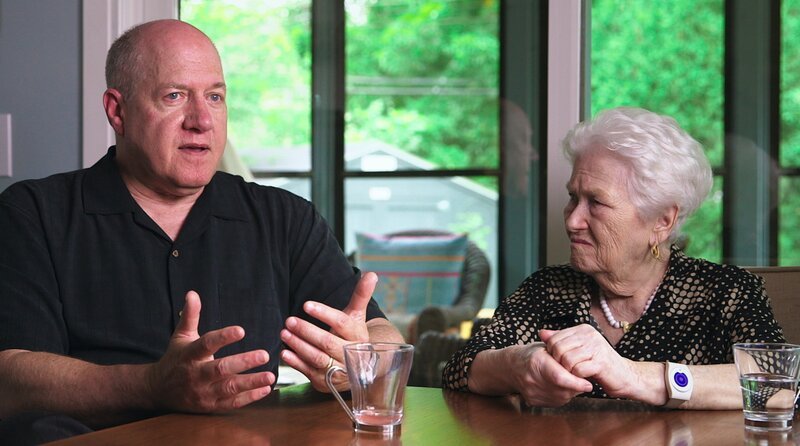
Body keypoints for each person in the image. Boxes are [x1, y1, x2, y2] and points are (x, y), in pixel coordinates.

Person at [0, 19, 402, 441]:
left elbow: (382, 337)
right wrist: (152, 385)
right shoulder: (32, 215)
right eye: (174, 96)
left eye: (215, 97)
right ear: (118, 111)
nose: (202, 120)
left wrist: (359, 362)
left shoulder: (283, 217)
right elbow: (9, 378)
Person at [443, 107, 785, 409]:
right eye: (573, 197)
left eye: (596, 202)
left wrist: (636, 376)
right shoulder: (548, 289)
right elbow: (461, 368)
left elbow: (780, 384)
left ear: (662, 221)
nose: (573, 220)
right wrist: (518, 366)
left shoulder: (726, 292)